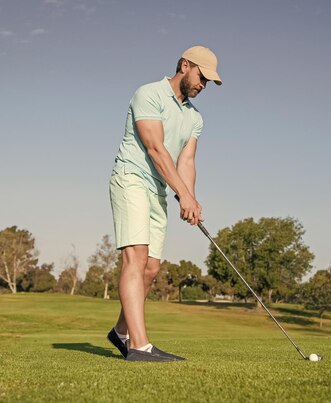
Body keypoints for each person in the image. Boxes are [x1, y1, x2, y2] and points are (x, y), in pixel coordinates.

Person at [107, 46, 222, 362]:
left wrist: (192, 198)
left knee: (151, 268)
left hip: (158, 187)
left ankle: (120, 332)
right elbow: (155, 148)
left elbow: (186, 161)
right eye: (202, 77)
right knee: (137, 257)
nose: (203, 85)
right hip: (132, 176)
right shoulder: (149, 93)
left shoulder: (194, 117)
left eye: (208, 82)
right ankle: (139, 346)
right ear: (185, 65)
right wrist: (181, 194)